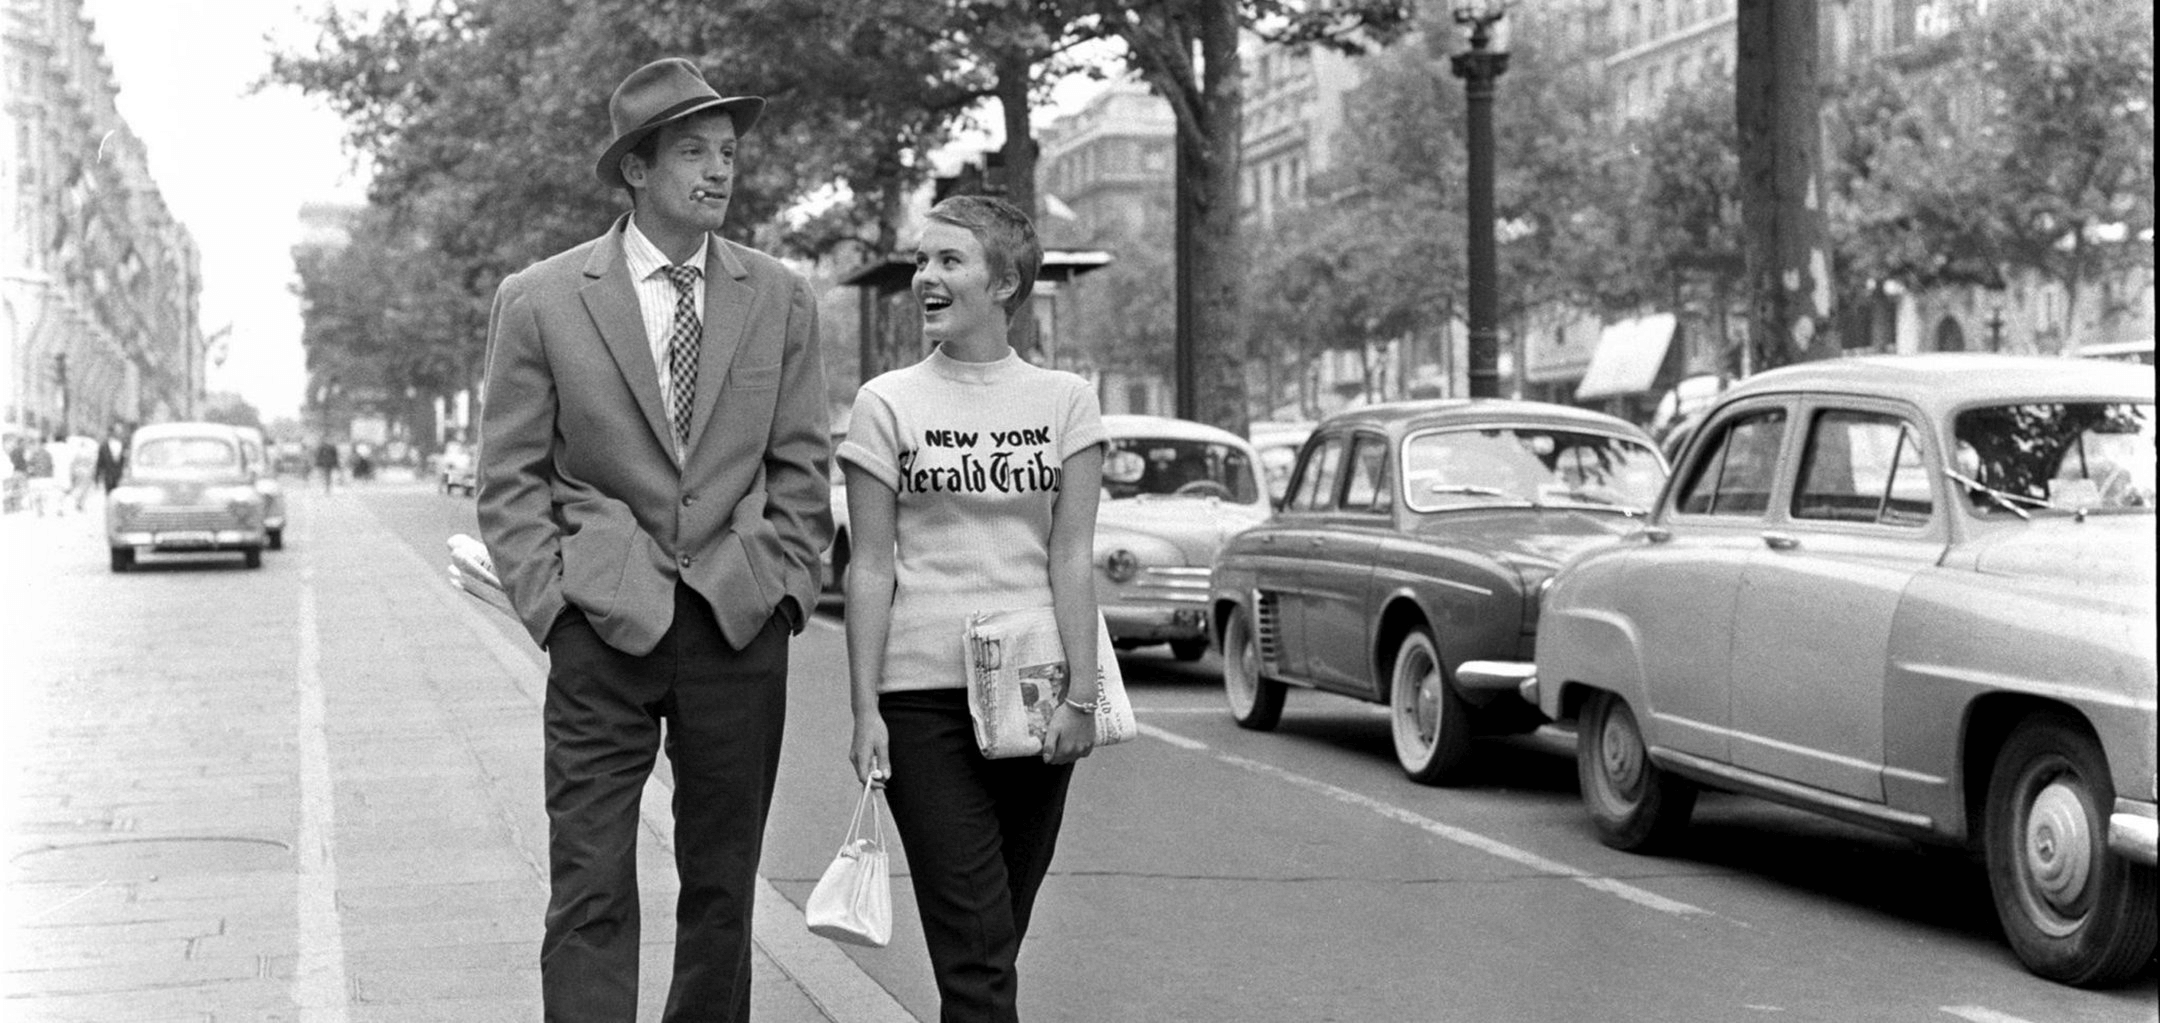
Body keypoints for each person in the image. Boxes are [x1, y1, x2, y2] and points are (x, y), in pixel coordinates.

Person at [476, 57, 831, 1023]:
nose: (719, 172)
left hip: (736, 619)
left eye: (727, 154)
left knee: (725, 887)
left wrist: (783, 593)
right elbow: (508, 477)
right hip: (601, 623)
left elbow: (804, 465)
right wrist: (554, 610)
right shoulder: (542, 299)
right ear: (636, 169)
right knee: (589, 878)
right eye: (693, 153)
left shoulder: (780, 296)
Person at [838, 195, 1107, 1023]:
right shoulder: (886, 403)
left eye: (949, 261)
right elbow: (871, 567)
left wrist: (1083, 697)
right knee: (978, 949)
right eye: (923, 261)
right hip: (923, 704)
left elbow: (1070, 556)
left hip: (1035, 699)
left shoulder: (1067, 402)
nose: (925, 277)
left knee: (994, 938)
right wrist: (864, 709)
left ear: (1007, 281)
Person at [94, 424, 127, 493]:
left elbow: (124, 462)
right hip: (108, 478)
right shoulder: (104, 447)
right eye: (117, 431)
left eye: (120, 431)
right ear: (112, 432)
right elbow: (99, 463)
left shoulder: (123, 445)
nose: (120, 433)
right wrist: (97, 478)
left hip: (120, 479)